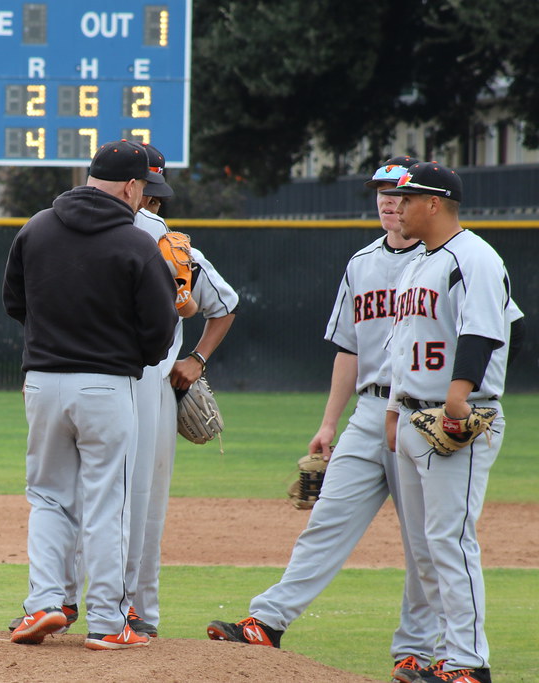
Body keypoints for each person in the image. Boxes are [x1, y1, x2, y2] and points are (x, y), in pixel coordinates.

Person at [205, 156, 441, 681]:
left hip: (423, 414)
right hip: (368, 411)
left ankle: (416, 652)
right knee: (326, 520)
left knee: (424, 541)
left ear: (425, 202)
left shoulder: (447, 260)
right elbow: (348, 349)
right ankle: (267, 621)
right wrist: (329, 423)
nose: (388, 202)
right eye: (382, 192)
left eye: (399, 194)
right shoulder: (362, 263)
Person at [2, 140, 178, 650]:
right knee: (108, 503)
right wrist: (130, 356)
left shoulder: (35, 228)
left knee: (48, 499)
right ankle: (106, 621)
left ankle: (41, 605)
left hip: (42, 383)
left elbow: (15, 302)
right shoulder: (136, 242)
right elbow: (160, 330)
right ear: (129, 186)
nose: (143, 196)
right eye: (142, 187)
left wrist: (51, 341)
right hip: (106, 385)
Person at [381, 162, 522, 683]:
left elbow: (486, 332)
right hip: (416, 415)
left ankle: (468, 664)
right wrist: (395, 408)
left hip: (455, 419)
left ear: (434, 203)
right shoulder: (422, 261)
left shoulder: (475, 257)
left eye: (408, 199)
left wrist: (460, 399)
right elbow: (406, 345)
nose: (398, 207)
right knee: (425, 548)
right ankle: (446, 656)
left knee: (449, 541)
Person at [128, 143, 239, 637]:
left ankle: (78, 604)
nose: (149, 204)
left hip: (136, 380)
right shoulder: (158, 240)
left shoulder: (172, 245)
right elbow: (224, 304)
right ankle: (123, 609)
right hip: (127, 381)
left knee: (112, 499)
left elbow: (224, 305)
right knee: (138, 501)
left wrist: (195, 358)